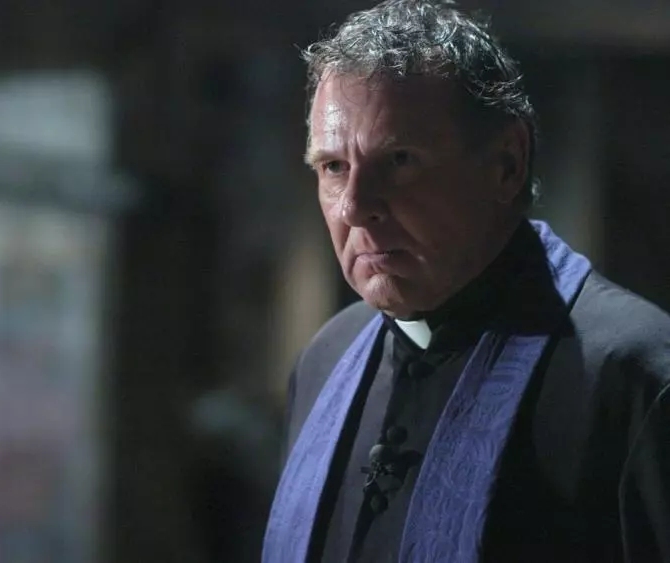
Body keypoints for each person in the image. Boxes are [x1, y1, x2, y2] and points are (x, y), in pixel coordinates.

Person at [262, 1, 670, 562]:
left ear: (506, 164)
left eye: (399, 160)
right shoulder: (325, 360)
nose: (354, 207)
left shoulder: (634, 379)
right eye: (334, 167)